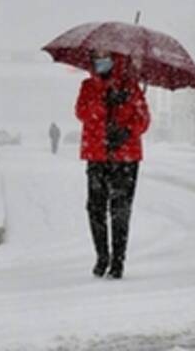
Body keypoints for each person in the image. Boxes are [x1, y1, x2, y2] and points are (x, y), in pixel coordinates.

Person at [75, 51, 150, 279]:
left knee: (120, 210)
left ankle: (118, 260)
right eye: (97, 57)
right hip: (97, 155)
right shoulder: (88, 86)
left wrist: (126, 130)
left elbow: (143, 119)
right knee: (95, 208)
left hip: (125, 157)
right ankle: (102, 256)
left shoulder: (131, 87)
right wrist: (103, 101)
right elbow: (81, 112)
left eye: (105, 57)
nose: (101, 61)